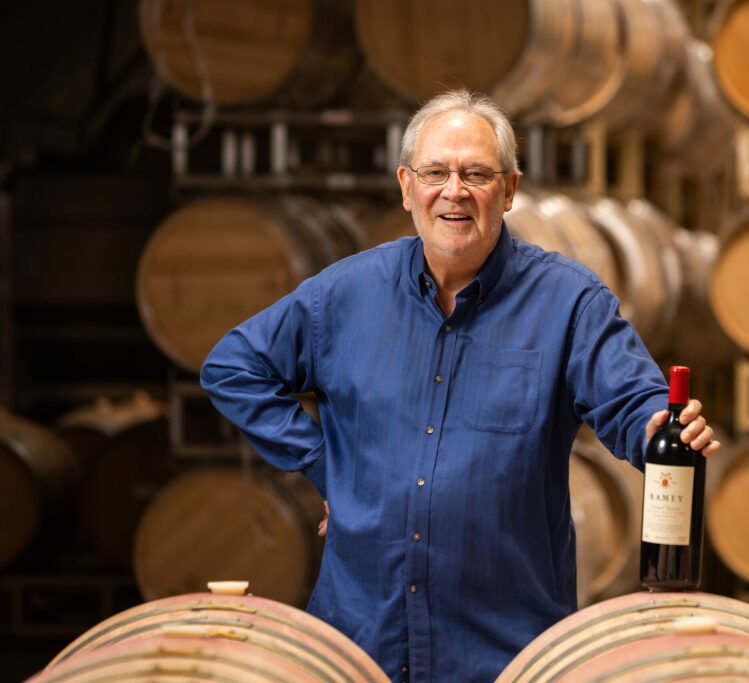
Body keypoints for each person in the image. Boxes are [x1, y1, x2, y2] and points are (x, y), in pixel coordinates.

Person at [200, 89, 720, 683]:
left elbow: (633, 402)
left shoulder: (568, 302)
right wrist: (327, 466)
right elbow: (232, 368)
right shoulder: (343, 296)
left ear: (510, 190)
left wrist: (659, 425)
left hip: (507, 654)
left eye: (476, 173)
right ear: (405, 186)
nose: (454, 191)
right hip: (361, 648)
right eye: (435, 172)